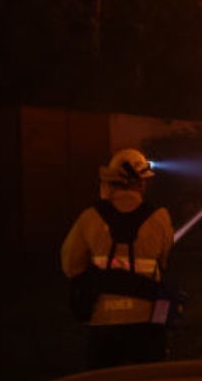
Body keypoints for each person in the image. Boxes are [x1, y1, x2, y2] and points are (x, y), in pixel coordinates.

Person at [61, 148, 175, 369]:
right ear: (142, 184)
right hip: (148, 320)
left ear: (110, 182)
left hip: (102, 320)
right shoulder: (160, 217)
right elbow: (164, 261)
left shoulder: (90, 217)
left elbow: (71, 265)